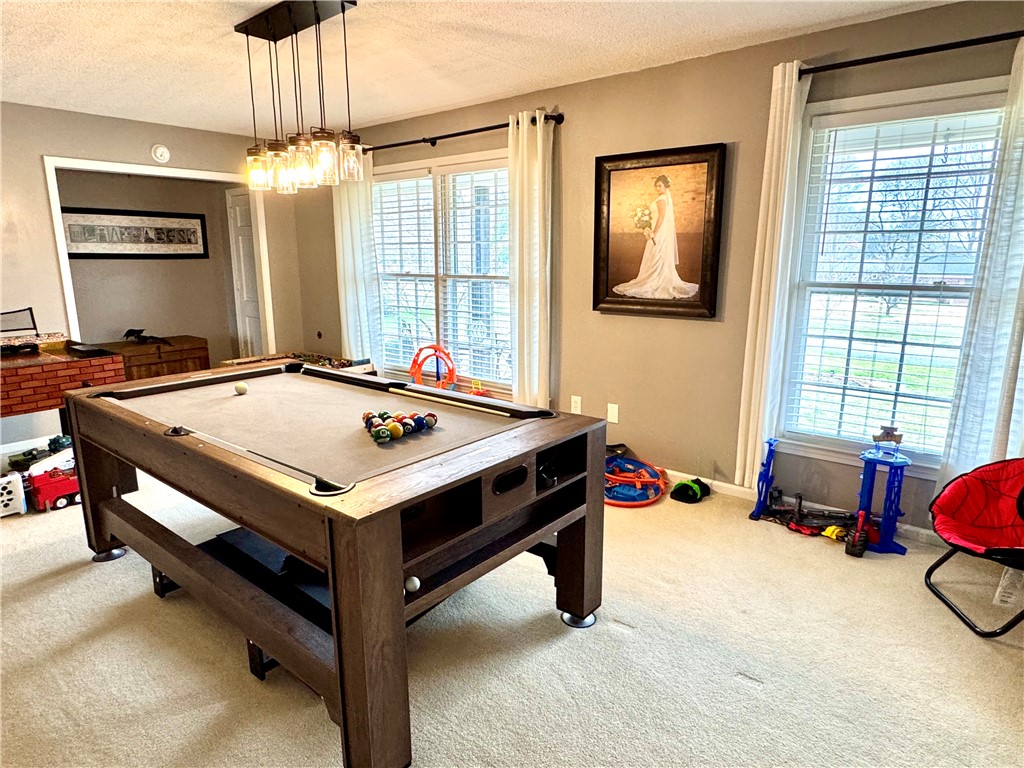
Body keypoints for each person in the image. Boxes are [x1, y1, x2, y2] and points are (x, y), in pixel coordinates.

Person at [613, 175, 699, 300]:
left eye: (660, 186)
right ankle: (654, 277)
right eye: (656, 186)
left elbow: (661, 216)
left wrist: (654, 232)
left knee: (656, 253)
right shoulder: (662, 198)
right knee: (655, 254)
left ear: (665, 187)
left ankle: (656, 280)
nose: (657, 188)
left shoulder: (661, 199)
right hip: (658, 229)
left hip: (659, 231)